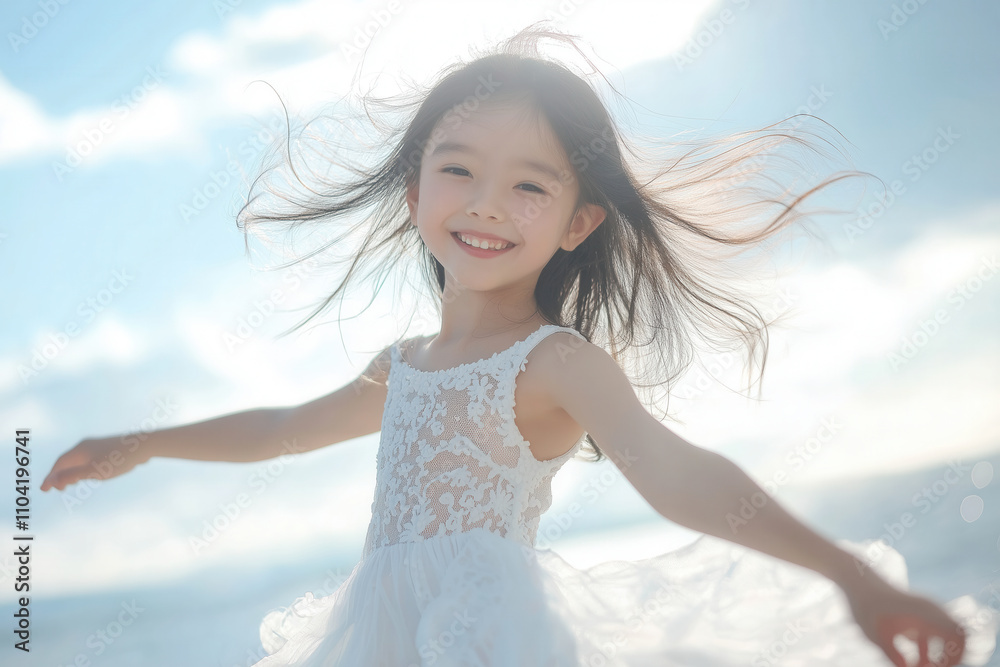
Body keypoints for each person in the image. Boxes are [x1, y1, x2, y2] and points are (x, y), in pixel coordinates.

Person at [41, 23, 996, 667]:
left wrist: (853, 576)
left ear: (579, 223)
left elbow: (678, 474)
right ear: (415, 192)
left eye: (530, 185)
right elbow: (281, 428)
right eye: (458, 169)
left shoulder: (552, 362)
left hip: (489, 636)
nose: (488, 203)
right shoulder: (401, 366)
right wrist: (143, 442)